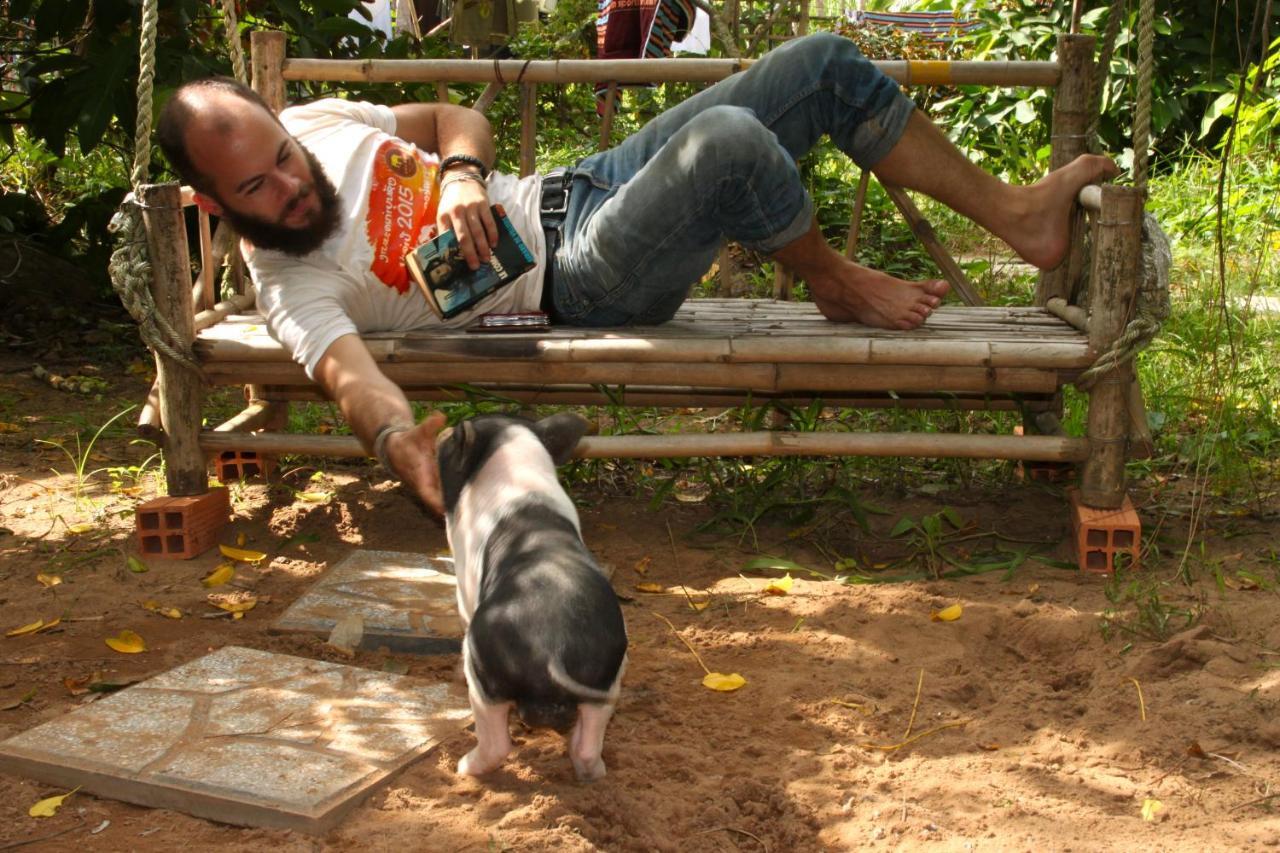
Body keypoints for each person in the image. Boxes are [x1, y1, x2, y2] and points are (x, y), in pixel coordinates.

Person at [156, 32, 1116, 516]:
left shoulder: (320, 127)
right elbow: (353, 380)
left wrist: (460, 175)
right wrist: (401, 445)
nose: (291, 183)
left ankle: (1020, 216)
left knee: (820, 64)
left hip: (581, 189)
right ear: (211, 203)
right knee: (728, 141)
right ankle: (826, 274)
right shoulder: (292, 281)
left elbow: (455, 119)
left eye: (283, 154)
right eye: (257, 184)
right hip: (577, 283)